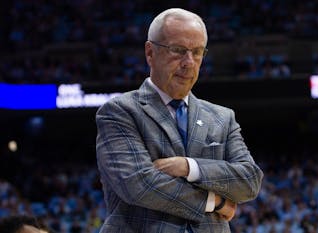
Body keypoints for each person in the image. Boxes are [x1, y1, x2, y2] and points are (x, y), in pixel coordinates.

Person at [96, 8, 263, 233]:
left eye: (197, 52)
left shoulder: (223, 117)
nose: (189, 62)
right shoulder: (119, 111)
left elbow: (249, 180)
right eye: (178, 50)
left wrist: (189, 167)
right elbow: (139, 184)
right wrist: (215, 202)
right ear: (150, 52)